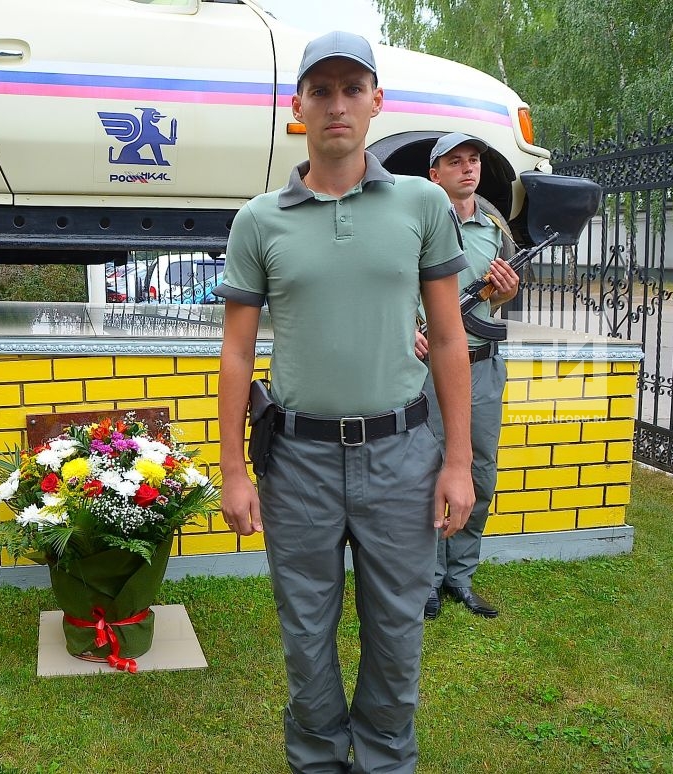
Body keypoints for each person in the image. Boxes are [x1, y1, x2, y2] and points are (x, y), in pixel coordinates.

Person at [215, 31, 476, 774]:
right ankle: (318, 759)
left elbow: (451, 341)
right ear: (298, 106)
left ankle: (388, 758)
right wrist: (234, 470)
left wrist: (458, 461)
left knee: (397, 631)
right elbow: (236, 352)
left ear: (376, 102)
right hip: (296, 462)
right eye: (320, 90)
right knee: (306, 632)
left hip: (402, 454)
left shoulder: (423, 204)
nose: (337, 104)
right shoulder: (259, 221)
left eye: (351, 89)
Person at [419, 132, 519, 620]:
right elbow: (390, 286)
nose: (468, 169)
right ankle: (429, 581)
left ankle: (461, 576)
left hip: (480, 367)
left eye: (474, 160)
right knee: (427, 472)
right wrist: (402, 331)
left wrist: (503, 294)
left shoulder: (494, 226)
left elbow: (498, 299)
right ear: (434, 173)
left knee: (478, 471)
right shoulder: (414, 221)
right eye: (454, 162)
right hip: (422, 370)